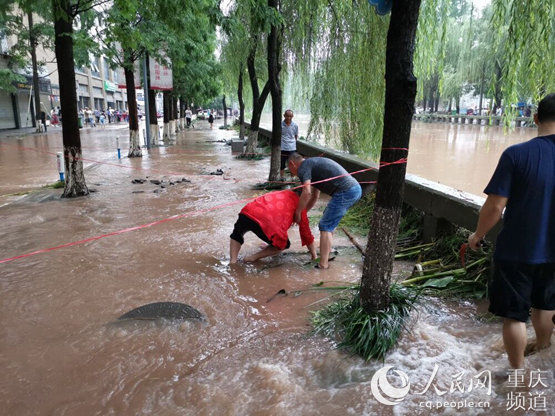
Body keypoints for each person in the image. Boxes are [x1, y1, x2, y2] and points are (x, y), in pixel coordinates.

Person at [468, 93, 555, 370]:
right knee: (545, 305)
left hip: (518, 251)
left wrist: (477, 236)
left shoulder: (516, 155)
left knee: (515, 317)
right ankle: (542, 348)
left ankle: (518, 374)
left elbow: (494, 206)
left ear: (536, 118)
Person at [288, 153, 362, 269]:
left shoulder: (303, 167)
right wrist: (303, 212)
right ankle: (327, 253)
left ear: (292, 164)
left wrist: (297, 212)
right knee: (328, 222)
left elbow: (306, 192)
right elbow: (314, 196)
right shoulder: (313, 165)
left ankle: (323, 265)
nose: (293, 174)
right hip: (354, 189)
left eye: (290, 170)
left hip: (346, 191)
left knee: (325, 225)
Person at [230, 189, 317, 263]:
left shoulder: (282, 192)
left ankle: (233, 261)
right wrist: (314, 256)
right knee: (284, 244)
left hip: (247, 211)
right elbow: (307, 235)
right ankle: (253, 257)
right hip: (266, 221)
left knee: (237, 233)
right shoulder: (300, 208)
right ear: (306, 198)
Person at [280, 109, 299, 179]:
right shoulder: (280, 125)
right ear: (284, 116)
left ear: (293, 116)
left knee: (292, 163)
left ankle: (292, 178)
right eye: (287, 116)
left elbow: (296, 136)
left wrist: (292, 143)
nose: (289, 118)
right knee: (282, 163)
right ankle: (281, 177)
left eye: (290, 116)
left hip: (292, 148)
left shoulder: (295, 126)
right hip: (283, 147)